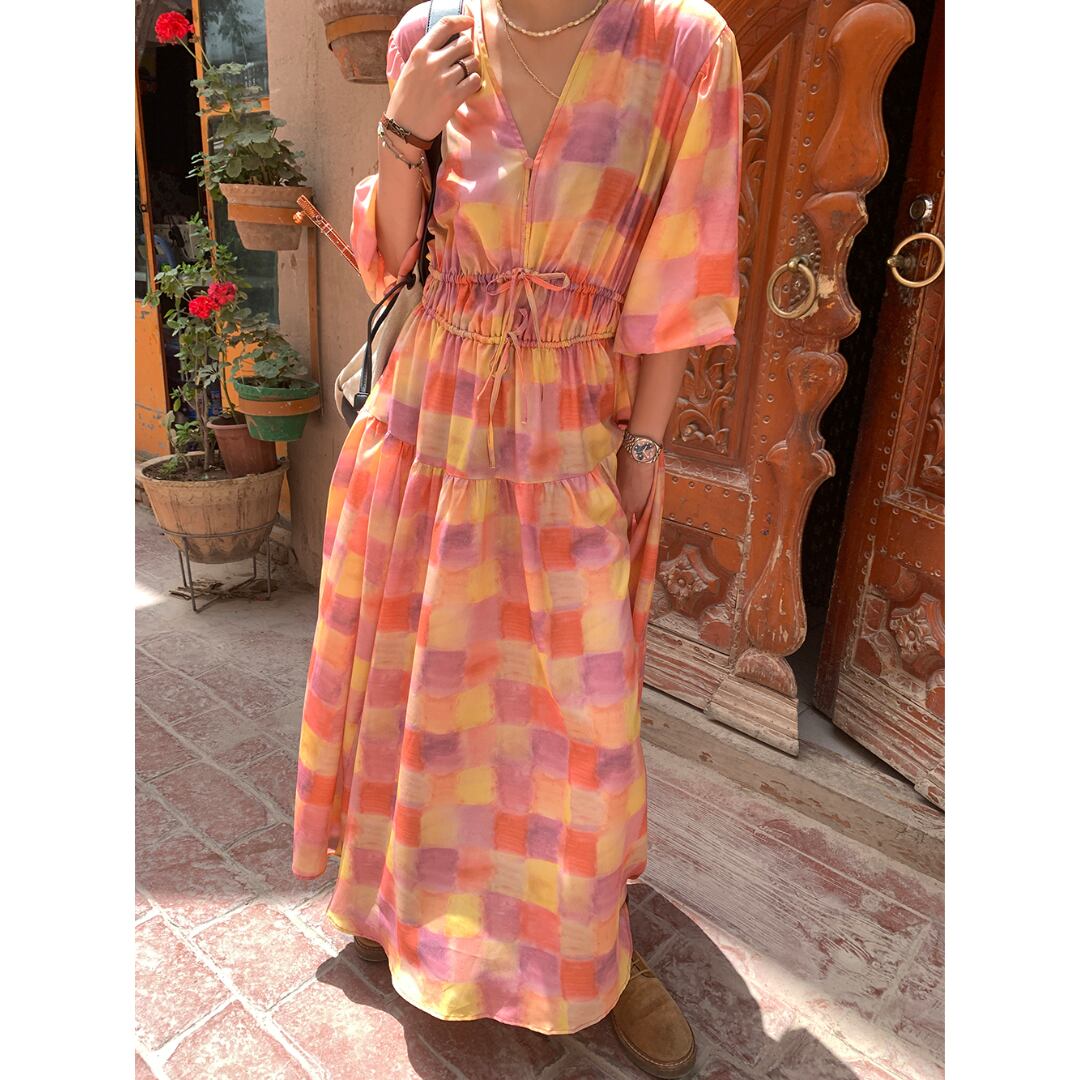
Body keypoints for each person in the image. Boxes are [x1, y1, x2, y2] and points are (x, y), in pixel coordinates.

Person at [292, 1, 742, 1075]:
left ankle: (593, 952)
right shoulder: (433, 34)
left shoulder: (686, 48)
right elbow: (392, 262)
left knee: (578, 718)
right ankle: (402, 904)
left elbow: (679, 281)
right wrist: (404, 128)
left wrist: (644, 449)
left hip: (575, 427)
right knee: (425, 687)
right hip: (432, 417)